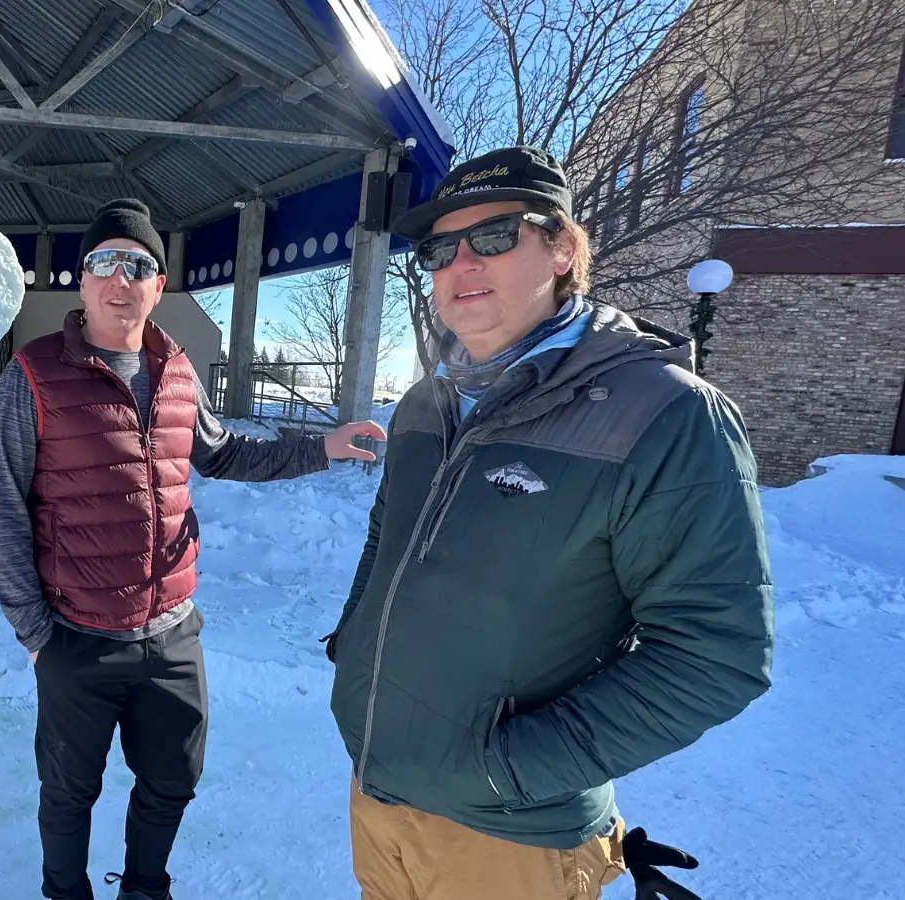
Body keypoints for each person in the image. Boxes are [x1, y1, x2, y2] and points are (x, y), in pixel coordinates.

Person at [323, 146, 774, 900]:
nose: (461, 262)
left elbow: (716, 656)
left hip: (509, 839)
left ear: (563, 248)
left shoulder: (664, 412)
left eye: (495, 237)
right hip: (379, 792)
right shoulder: (425, 406)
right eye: (439, 249)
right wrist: (354, 654)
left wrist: (506, 769)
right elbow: (386, 544)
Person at [0, 198, 385, 900]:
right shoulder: (34, 375)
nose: (120, 279)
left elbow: (223, 453)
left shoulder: (174, 369)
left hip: (170, 632)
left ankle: (144, 887)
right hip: (77, 635)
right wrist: (36, 632)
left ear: (157, 285)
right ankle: (65, 892)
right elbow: (1, 507)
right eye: (104, 262)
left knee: (174, 778)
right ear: (83, 282)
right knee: (69, 791)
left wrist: (322, 447)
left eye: (137, 265)